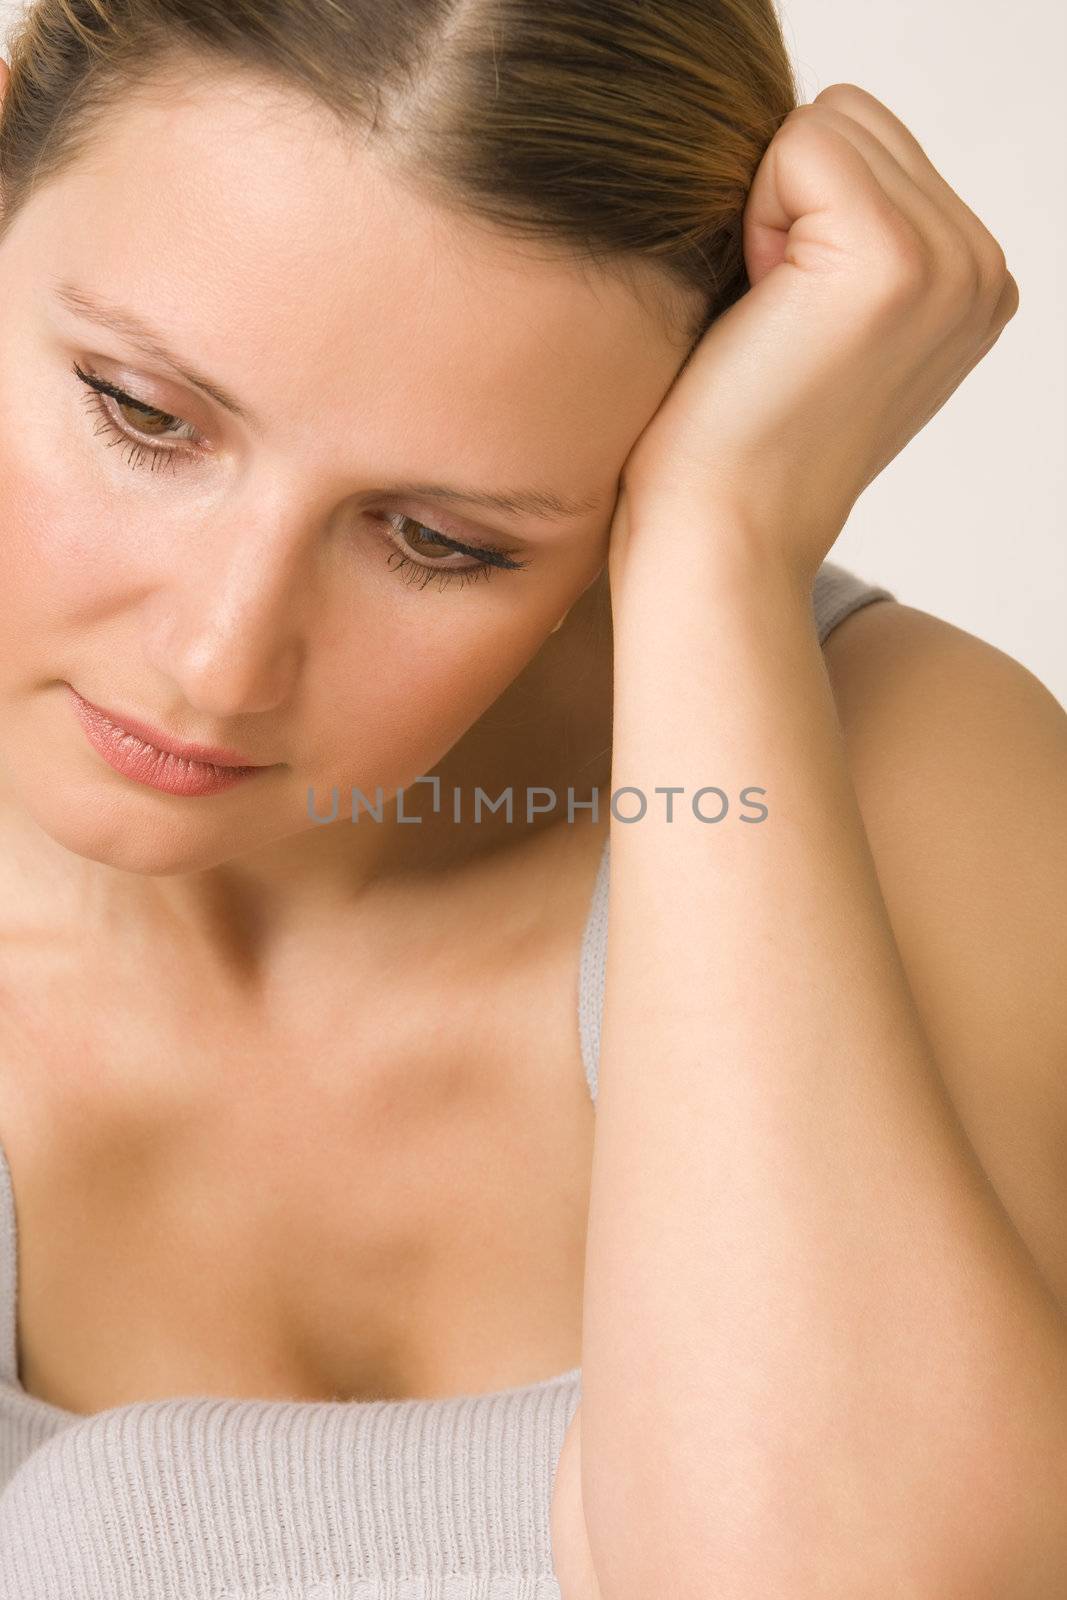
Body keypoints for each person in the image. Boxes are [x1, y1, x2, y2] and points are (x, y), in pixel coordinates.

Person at [0, 3, 1063, 1599]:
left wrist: (719, 555)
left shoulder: (910, 768)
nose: (219, 661)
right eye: (143, 414)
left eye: (444, 540)